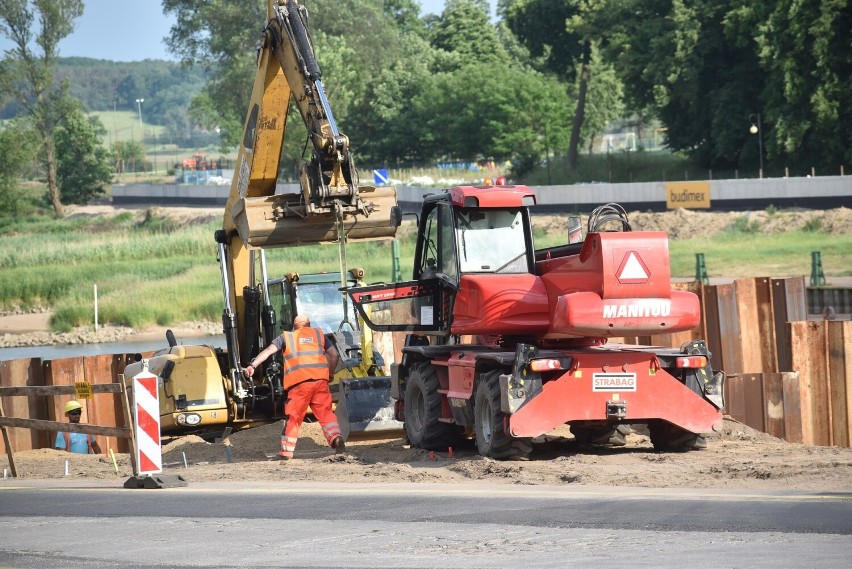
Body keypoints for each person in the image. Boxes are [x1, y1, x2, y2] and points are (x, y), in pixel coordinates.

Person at [245, 314, 344, 460]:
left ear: (294, 326)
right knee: (326, 413)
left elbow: (268, 352)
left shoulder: (286, 337)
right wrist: (329, 374)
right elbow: (334, 355)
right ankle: (336, 438)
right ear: (309, 325)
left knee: (294, 417)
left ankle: (286, 453)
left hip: (299, 384)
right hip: (320, 381)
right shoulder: (319, 334)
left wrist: (252, 366)